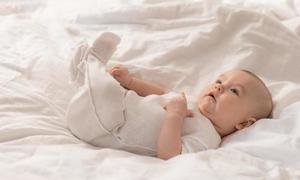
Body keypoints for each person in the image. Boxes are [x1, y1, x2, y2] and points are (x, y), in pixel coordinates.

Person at [66, 32, 273, 160]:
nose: (219, 87)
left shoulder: (208, 137)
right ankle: (85, 75)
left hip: (110, 128)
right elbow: (163, 93)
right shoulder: (190, 101)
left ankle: (90, 65)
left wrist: (175, 116)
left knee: (107, 93)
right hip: (110, 111)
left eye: (233, 91)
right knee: (111, 92)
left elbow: (171, 155)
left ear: (244, 124)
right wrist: (131, 83)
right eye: (219, 81)